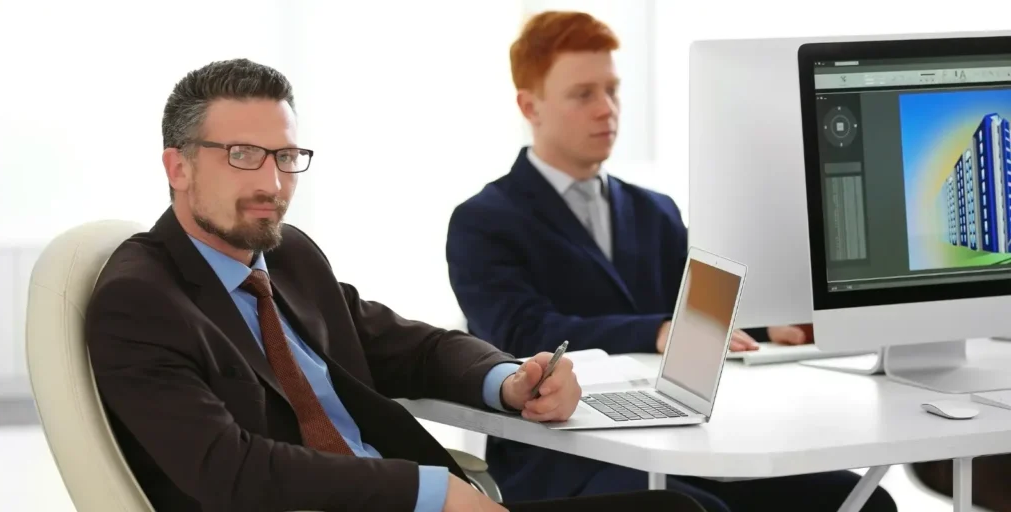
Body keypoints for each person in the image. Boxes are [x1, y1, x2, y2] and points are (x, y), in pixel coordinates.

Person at [84, 58, 708, 512]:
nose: (272, 185)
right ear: (178, 166)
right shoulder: (139, 301)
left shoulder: (288, 254)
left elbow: (408, 345)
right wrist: (429, 493)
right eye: (244, 155)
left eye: (286, 157)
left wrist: (508, 379)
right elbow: (231, 471)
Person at [445, 11, 895, 512]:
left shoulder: (654, 210)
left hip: (673, 437)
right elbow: (522, 331)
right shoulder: (483, 221)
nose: (607, 110)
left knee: (861, 500)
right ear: (530, 105)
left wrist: (768, 329)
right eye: (583, 94)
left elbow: (696, 306)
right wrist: (657, 331)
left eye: (612, 90)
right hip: (561, 456)